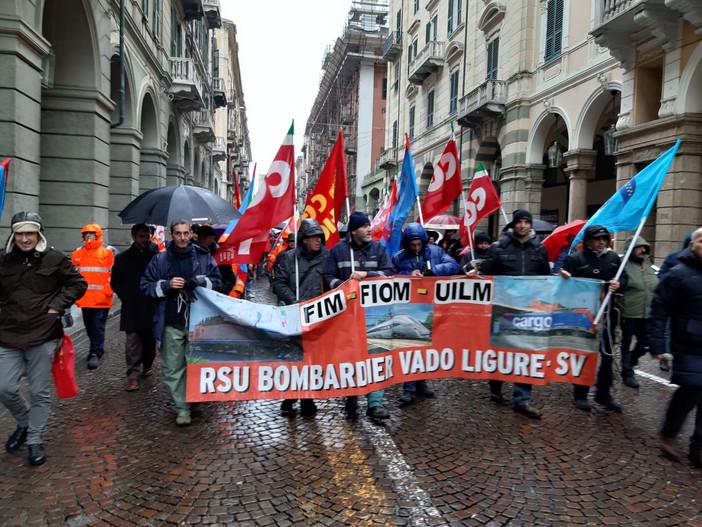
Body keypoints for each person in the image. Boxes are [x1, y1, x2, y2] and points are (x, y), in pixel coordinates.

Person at [0, 212, 87, 466]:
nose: (25, 239)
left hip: (43, 334)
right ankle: (26, 423)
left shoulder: (55, 258)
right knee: (3, 387)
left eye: (30, 233)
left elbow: (78, 284)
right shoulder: (3, 260)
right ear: (13, 235)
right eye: (20, 233)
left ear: (38, 234)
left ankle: (34, 439)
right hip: (8, 333)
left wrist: (56, 307)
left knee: (39, 391)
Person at [468, 209, 551, 419]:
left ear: (530, 225)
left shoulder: (540, 249)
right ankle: (495, 385)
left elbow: (546, 279)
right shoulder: (498, 248)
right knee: (501, 353)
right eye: (519, 222)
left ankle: (522, 399)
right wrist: (474, 274)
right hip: (503, 309)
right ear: (513, 224)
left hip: (529, 311)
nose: (522, 225)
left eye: (526, 222)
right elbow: (486, 273)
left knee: (526, 354)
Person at [140, 220, 222, 426]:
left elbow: (218, 282)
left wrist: (200, 282)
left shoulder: (204, 256)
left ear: (191, 234)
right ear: (171, 234)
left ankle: (194, 400)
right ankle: (181, 408)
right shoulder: (159, 259)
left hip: (199, 322)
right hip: (170, 321)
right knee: (173, 367)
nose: (183, 237)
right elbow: (145, 285)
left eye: (186, 233)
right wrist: (166, 285)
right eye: (178, 233)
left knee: (198, 365)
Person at [322, 211, 394, 420]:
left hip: (374, 314)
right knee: (350, 355)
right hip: (346, 315)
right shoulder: (338, 251)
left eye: (369, 225)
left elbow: (389, 273)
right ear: (353, 231)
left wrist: (366, 275)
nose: (369, 229)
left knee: (376, 354)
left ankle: (375, 404)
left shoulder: (379, 249)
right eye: (364, 226)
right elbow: (327, 276)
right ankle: (351, 393)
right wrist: (344, 287)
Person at [647, 227, 702, 468]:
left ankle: (698, 447)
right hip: (688, 342)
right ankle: (669, 433)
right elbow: (660, 309)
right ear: (693, 244)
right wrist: (657, 343)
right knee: (691, 389)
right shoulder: (678, 274)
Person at [560, 225, 626, 412]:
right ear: (588, 241)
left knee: (607, 356)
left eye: (604, 238)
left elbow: (624, 281)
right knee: (585, 354)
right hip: (584, 317)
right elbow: (566, 289)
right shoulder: (575, 259)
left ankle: (603, 393)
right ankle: (580, 393)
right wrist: (566, 278)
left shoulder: (613, 259)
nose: (601, 242)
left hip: (607, 316)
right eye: (597, 239)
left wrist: (618, 285)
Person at [391, 223, 458, 404]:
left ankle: (421, 383)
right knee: (410, 347)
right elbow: (390, 276)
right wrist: (407, 274)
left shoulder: (435, 252)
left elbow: (453, 265)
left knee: (426, 347)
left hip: (431, 306)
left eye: (419, 244)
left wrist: (432, 272)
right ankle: (409, 387)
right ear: (407, 243)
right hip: (409, 308)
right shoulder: (398, 257)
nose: (416, 247)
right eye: (412, 245)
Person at [272, 219, 329, 417]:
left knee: (312, 359)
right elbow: (278, 284)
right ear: (304, 239)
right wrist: (292, 300)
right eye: (314, 237)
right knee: (294, 358)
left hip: (318, 315)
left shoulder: (326, 257)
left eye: (320, 237)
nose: (318, 240)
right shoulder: (288, 258)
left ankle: (307, 398)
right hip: (294, 314)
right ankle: (289, 397)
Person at [111, 224, 159, 392]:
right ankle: (132, 375)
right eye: (142, 236)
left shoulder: (155, 257)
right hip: (131, 306)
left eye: (147, 236)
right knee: (132, 342)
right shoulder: (122, 258)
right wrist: (126, 296)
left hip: (150, 306)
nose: (145, 240)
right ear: (134, 237)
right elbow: (115, 282)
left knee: (149, 342)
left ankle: (147, 365)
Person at [71, 223, 116, 370]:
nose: (88, 236)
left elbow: (113, 275)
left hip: (102, 298)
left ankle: (95, 353)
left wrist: (108, 291)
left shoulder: (107, 252)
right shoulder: (77, 253)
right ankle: (97, 347)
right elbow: (73, 275)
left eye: (91, 233)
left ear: (97, 235)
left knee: (97, 327)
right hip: (85, 299)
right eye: (86, 234)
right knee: (90, 326)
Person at [619, 236, 658, 388]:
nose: (642, 250)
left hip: (647, 313)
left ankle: (631, 360)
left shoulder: (648, 265)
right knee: (626, 344)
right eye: (639, 247)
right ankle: (627, 372)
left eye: (644, 248)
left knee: (645, 342)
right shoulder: (623, 265)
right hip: (628, 312)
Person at [657, 232, 693, 372]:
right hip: (673, 302)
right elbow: (662, 275)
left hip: (689, 306)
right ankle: (665, 358)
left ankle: (682, 358)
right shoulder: (674, 258)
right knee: (668, 331)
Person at [194, 225, 236, 295]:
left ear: (212, 238)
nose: (200, 241)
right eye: (199, 238)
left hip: (217, 294)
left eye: (204, 238)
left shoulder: (220, 254)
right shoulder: (193, 252)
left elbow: (230, 278)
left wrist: (222, 292)